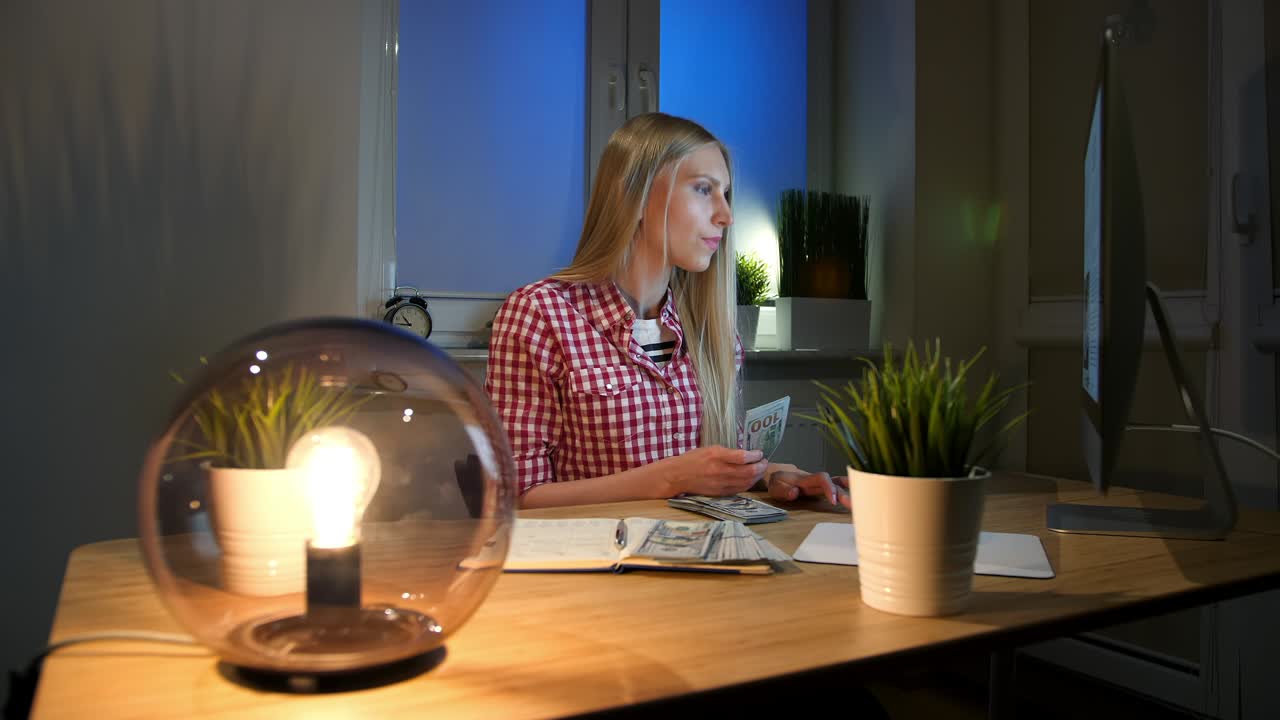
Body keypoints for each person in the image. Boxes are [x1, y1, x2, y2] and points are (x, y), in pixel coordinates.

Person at [486, 112, 849, 509]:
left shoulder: (712, 331)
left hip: (701, 555)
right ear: (635, 197)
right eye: (703, 189)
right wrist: (672, 477)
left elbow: (713, 466)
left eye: (725, 194)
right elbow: (518, 496)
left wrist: (771, 474)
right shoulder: (539, 314)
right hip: (601, 563)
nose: (725, 214)